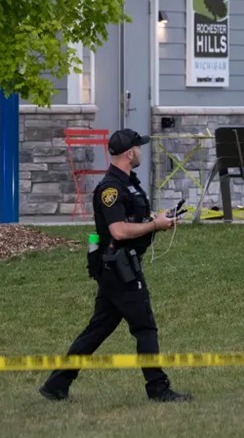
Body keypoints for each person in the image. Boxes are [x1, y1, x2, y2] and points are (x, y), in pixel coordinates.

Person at [40, 128, 191, 403]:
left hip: (119, 269)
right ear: (129, 153)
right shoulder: (111, 188)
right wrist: (153, 225)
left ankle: (56, 384)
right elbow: (119, 231)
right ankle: (158, 389)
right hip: (119, 270)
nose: (140, 152)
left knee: (97, 330)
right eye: (138, 148)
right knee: (145, 328)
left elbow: (134, 218)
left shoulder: (128, 183)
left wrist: (159, 219)